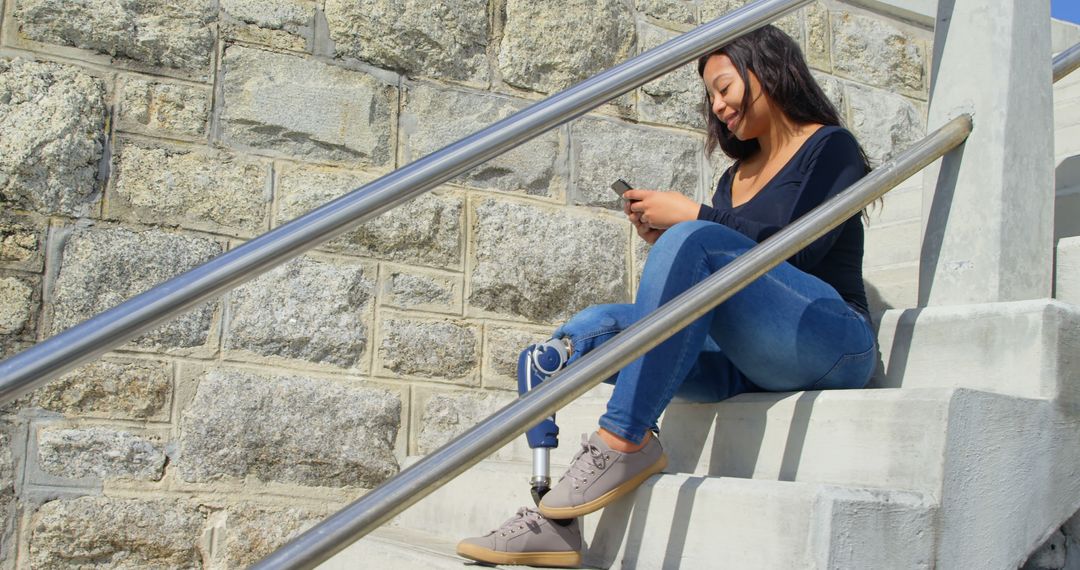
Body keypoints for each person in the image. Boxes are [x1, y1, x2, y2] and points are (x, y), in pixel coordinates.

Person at [456, 24, 876, 568]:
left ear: (768, 67)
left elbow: (798, 255)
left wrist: (694, 223)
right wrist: (680, 237)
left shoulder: (829, 147)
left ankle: (625, 438)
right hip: (745, 361)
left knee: (692, 239)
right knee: (590, 329)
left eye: (725, 87)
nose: (719, 105)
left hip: (831, 340)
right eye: (710, 97)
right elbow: (726, 261)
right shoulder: (736, 177)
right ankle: (552, 519)